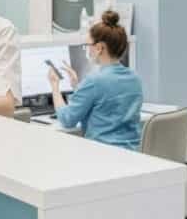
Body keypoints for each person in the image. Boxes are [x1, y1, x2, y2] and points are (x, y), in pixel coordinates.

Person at [48, 10, 143, 150]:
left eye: (88, 45)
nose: (87, 50)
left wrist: (55, 87)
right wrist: (77, 86)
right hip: (131, 156)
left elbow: (67, 119)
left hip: (102, 157)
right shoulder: (135, 78)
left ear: (99, 48)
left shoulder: (94, 80)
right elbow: (104, 104)